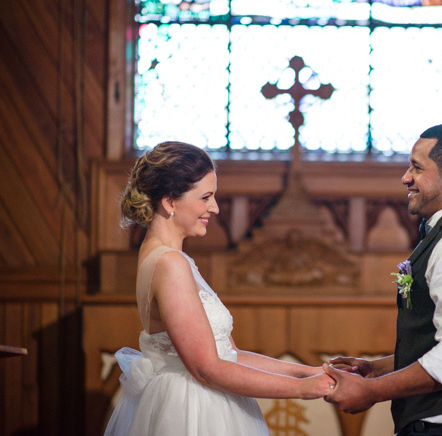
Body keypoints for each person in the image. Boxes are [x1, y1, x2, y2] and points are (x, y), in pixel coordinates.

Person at [105, 141, 335, 435]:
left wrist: (308, 372)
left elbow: (230, 354)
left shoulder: (168, 258)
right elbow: (207, 368)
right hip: (193, 412)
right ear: (170, 202)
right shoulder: (169, 263)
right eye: (206, 197)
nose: (214, 208)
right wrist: (301, 390)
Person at [323, 123, 442, 435]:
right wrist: (376, 369)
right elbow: (437, 341)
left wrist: (372, 392)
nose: (405, 177)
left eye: (417, 168)